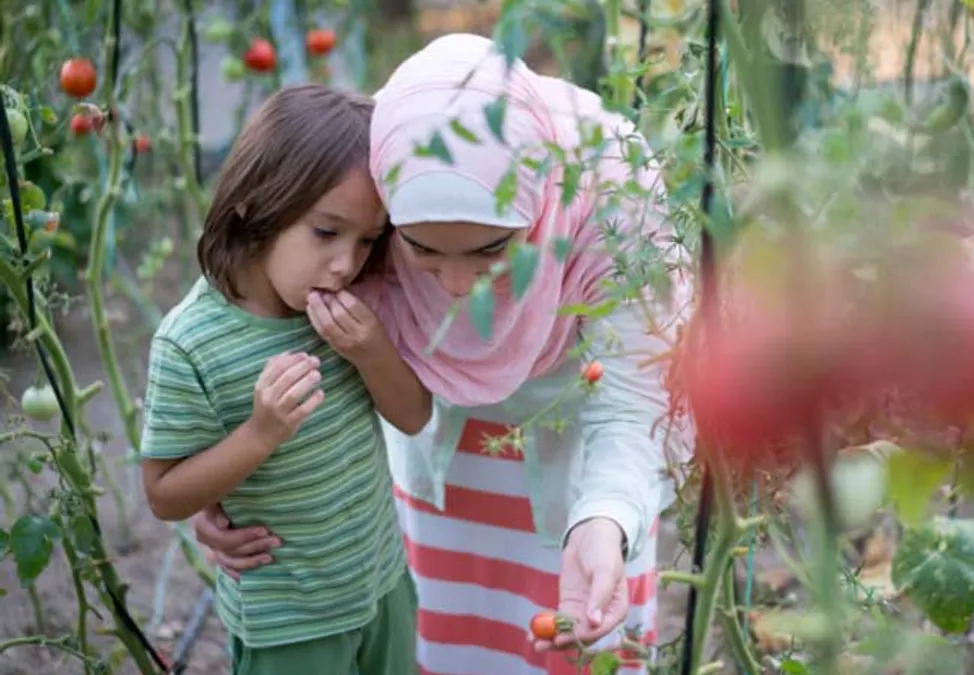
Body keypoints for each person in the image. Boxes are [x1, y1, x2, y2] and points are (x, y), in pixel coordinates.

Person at [192, 34, 693, 675]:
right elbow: (253, 283)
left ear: (543, 207)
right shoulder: (376, 158)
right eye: (420, 249)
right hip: (440, 475)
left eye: (491, 249)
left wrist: (604, 522)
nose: (456, 286)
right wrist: (219, 475)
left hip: (585, 474)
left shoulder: (614, 199)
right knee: (449, 643)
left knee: (578, 643)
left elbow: (632, 401)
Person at [139, 84, 429, 675]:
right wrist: (259, 435)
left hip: (383, 583)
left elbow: (414, 416)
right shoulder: (190, 343)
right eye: (326, 232)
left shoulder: (354, 305)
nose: (345, 263)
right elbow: (165, 494)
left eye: (367, 240)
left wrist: (372, 350)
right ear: (255, 205)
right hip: (290, 622)